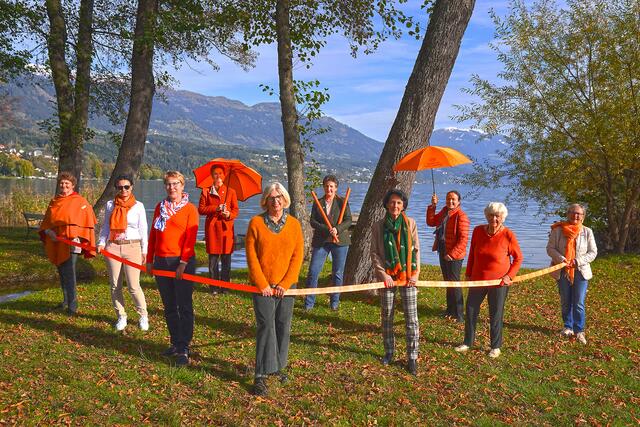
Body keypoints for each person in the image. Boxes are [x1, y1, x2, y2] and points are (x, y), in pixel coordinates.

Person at [245, 182, 303, 396]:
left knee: (282, 325)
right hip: (263, 287)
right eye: (272, 197)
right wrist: (263, 285)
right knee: (265, 325)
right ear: (265, 201)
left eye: (279, 197)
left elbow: (297, 257)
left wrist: (285, 284)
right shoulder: (255, 223)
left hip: (286, 287)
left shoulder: (295, 225)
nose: (276, 201)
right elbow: (251, 258)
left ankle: (277, 366)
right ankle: (260, 374)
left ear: (285, 199)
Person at [455, 202, 522, 358]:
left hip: (499, 283)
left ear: (502, 217)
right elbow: (472, 253)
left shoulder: (508, 235)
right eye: (491, 215)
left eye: (497, 216)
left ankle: (495, 346)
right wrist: (469, 273)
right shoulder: (478, 231)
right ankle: (468, 341)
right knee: (471, 310)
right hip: (478, 280)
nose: (494, 218)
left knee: (495, 313)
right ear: (487, 215)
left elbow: (518, 258)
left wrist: (509, 276)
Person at [146, 171, 198, 366]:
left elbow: (190, 239)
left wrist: (184, 262)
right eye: (168, 184)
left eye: (175, 184)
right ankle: (175, 342)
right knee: (169, 306)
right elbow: (154, 234)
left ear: (183, 186)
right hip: (161, 261)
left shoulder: (190, 209)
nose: (172, 187)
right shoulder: (160, 207)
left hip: (181, 262)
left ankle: (184, 346)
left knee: (184, 305)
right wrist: (150, 259)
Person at [370, 189, 420, 375]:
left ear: (403, 205)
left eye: (399, 203)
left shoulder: (411, 224)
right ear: (386, 204)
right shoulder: (378, 226)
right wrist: (384, 275)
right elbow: (374, 253)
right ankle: (389, 352)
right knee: (387, 316)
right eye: (392, 202)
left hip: (408, 277)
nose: (395, 206)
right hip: (388, 278)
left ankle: (412, 357)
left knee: (411, 318)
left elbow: (416, 250)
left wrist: (415, 274)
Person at [39, 172, 97, 315]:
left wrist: (77, 234)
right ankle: (65, 301)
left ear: (73, 185)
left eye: (67, 184)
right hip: (56, 242)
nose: (64, 186)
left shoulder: (80, 201)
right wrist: (48, 232)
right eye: (62, 183)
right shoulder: (54, 201)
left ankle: (73, 306)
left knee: (69, 273)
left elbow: (88, 219)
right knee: (61, 272)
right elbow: (46, 223)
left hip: (72, 243)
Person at [97, 175, 149, 331]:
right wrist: (101, 243)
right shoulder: (110, 205)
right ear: (116, 188)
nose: (123, 190)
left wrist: (144, 250)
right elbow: (106, 226)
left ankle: (143, 315)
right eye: (120, 187)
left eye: (126, 187)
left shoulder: (138, 206)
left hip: (132, 247)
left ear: (131, 187)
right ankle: (121, 315)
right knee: (115, 285)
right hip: (113, 246)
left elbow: (143, 229)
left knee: (134, 286)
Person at [546, 203, 597, 344]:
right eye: (573, 212)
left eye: (579, 214)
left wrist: (577, 261)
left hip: (580, 271)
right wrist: (562, 259)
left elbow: (593, 253)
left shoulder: (587, 231)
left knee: (579, 302)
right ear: (567, 214)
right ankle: (568, 326)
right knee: (566, 300)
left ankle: (579, 330)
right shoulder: (557, 230)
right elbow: (550, 249)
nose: (575, 216)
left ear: (583, 217)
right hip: (562, 270)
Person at [304, 174, 352, 311]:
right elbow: (313, 221)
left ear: (336, 188)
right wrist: (327, 229)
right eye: (326, 186)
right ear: (323, 187)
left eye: (331, 186)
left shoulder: (342, 202)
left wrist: (337, 229)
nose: (329, 189)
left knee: (337, 273)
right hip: (322, 241)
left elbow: (348, 220)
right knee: (313, 271)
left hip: (340, 241)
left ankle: (334, 302)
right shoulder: (317, 202)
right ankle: (309, 303)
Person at [426, 190, 470, 322]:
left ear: (458, 202)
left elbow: (463, 240)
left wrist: (452, 254)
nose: (450, 201)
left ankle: (459, 314)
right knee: (447, 282)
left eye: (453, 199)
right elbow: (431, 222)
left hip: (454, 255)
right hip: (443, 250)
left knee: (454, 283)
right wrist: (433, 206)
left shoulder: (461, 216)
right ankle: (449, 310)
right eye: (448, 199)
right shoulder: (444, 212)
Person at [198, 165, 239, 294]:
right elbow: (201, 209)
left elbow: (235, 210)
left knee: (226, 259)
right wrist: (216, 208)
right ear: (212, 175)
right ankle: (214, 287)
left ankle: (225, 287)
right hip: (213, 229)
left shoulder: (231, 191)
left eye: (221, 173)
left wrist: (229, 215)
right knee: (213, 259)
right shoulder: (206, 191)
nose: (218, 176)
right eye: (215, 174)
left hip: (226, 229)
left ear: (224, 175)